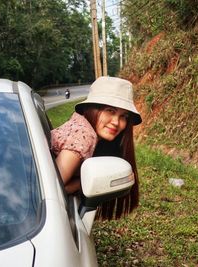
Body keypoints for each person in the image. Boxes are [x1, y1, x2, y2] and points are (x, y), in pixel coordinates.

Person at [50, 76, 142, 220]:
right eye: (110, 110)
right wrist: (85, 182)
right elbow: (52, 190)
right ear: (92, 109)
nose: (117, 122)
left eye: (123, 116)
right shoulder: (83, 136)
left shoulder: (82, 126)